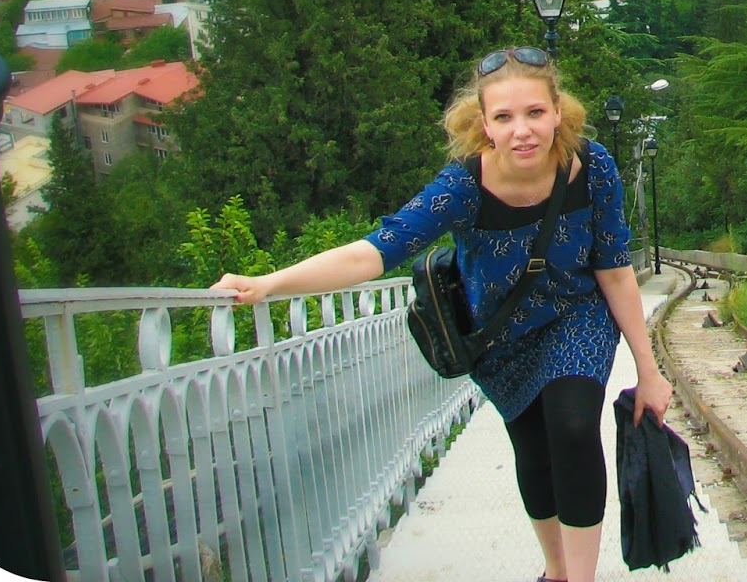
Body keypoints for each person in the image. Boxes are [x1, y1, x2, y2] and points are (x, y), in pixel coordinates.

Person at [213, 46, 674, 582]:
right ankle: (557, 570)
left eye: (534, 112)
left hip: (577, 317)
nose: (522, 130)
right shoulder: (462, 187)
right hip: (502, 338)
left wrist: (648, 371)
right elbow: (374, 253)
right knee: (533, 452)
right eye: (504, 117)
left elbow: (614, 269)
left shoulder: (592, 167)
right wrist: (269, 284)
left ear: (558, 112)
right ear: (484, 125)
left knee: (572, 427)